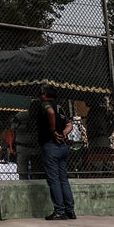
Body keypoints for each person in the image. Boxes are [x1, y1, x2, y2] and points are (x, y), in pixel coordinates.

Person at [35, 85, 75, 220]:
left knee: (54, 180)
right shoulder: (60, 106)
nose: (40, 96)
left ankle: (59, 211)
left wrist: (53, 131)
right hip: (62, 146)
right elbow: (70, 124)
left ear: (45, 95)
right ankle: (70, 210)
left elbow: (50, 113)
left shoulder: (45, 104)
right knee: (63, 178)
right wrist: (63, 133)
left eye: (41, 93)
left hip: (51, 145)